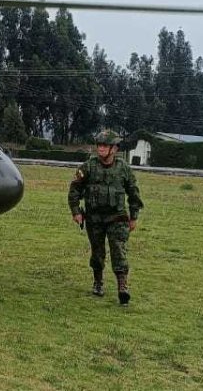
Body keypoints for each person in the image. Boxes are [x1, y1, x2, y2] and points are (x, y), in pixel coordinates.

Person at [68, 129, 144, 305]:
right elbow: (74, 190)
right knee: (97, 252)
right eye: (99, 145)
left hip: (117, 218)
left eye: (105, 145)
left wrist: (134, 217)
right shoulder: (88, 167)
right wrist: (76, 211)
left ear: (114, 149)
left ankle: (122, 287)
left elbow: (134, 193)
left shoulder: (123, 168)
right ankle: (98, 282)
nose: (101, 148)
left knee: (119, 252)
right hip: (94, 219)